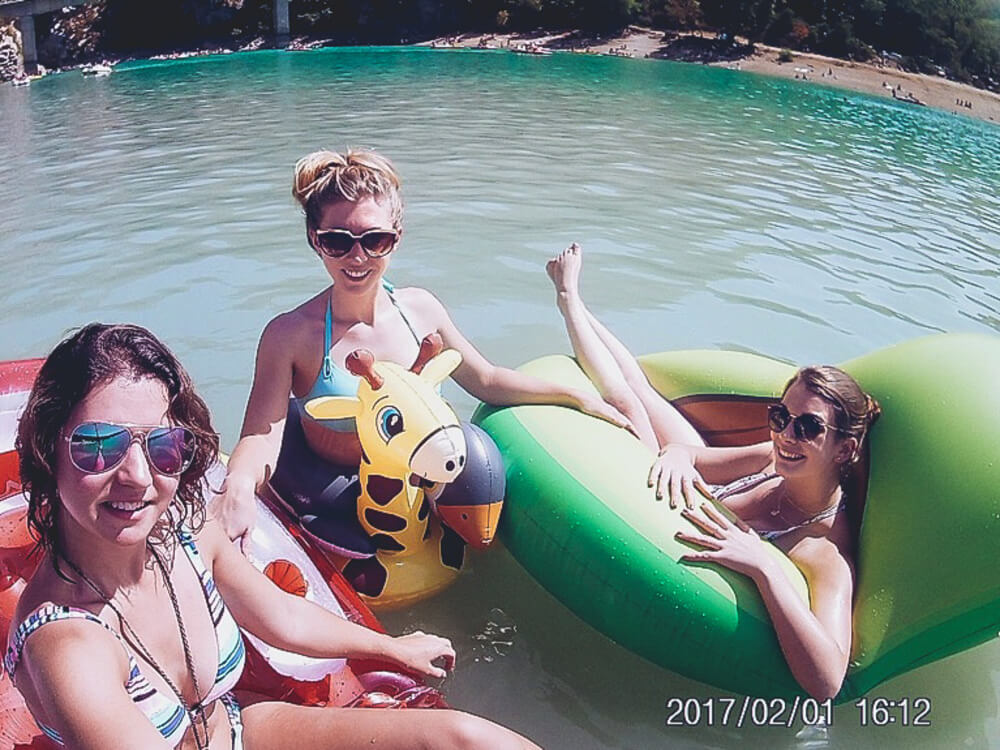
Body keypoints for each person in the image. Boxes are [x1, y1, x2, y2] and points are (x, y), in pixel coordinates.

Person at [6, 323, 540, 750]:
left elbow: (280, 616)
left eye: (163, 445)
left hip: (241, 731)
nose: (139, 477)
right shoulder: (66, 643)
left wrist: (391, 647)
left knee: (468, 739)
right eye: (98, 447)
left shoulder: (184, 537)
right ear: (48, 449)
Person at [216, 149, 630, 545]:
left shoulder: (421, 309)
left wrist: (576, 396)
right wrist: (237, 486)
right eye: (338, 241)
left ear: (396, 237)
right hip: (336, 494)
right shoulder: (291, 335)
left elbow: (485, 379)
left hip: (418, 480)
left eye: (374, 240)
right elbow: (260, 436)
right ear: (314, 238)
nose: (357, 256)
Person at [546, 243, 880, 700]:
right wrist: (677, 457)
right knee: (640, 392)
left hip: (686, 505)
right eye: (782, 417)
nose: (786, 435)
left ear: (845, 450)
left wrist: (765, 567)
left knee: (626, 401)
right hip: (681, 486)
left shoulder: (826, 556)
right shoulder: (773, 458)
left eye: (807, 427)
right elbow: (691, 455)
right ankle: (573, 297)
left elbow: (827, 682)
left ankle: (567, 298)